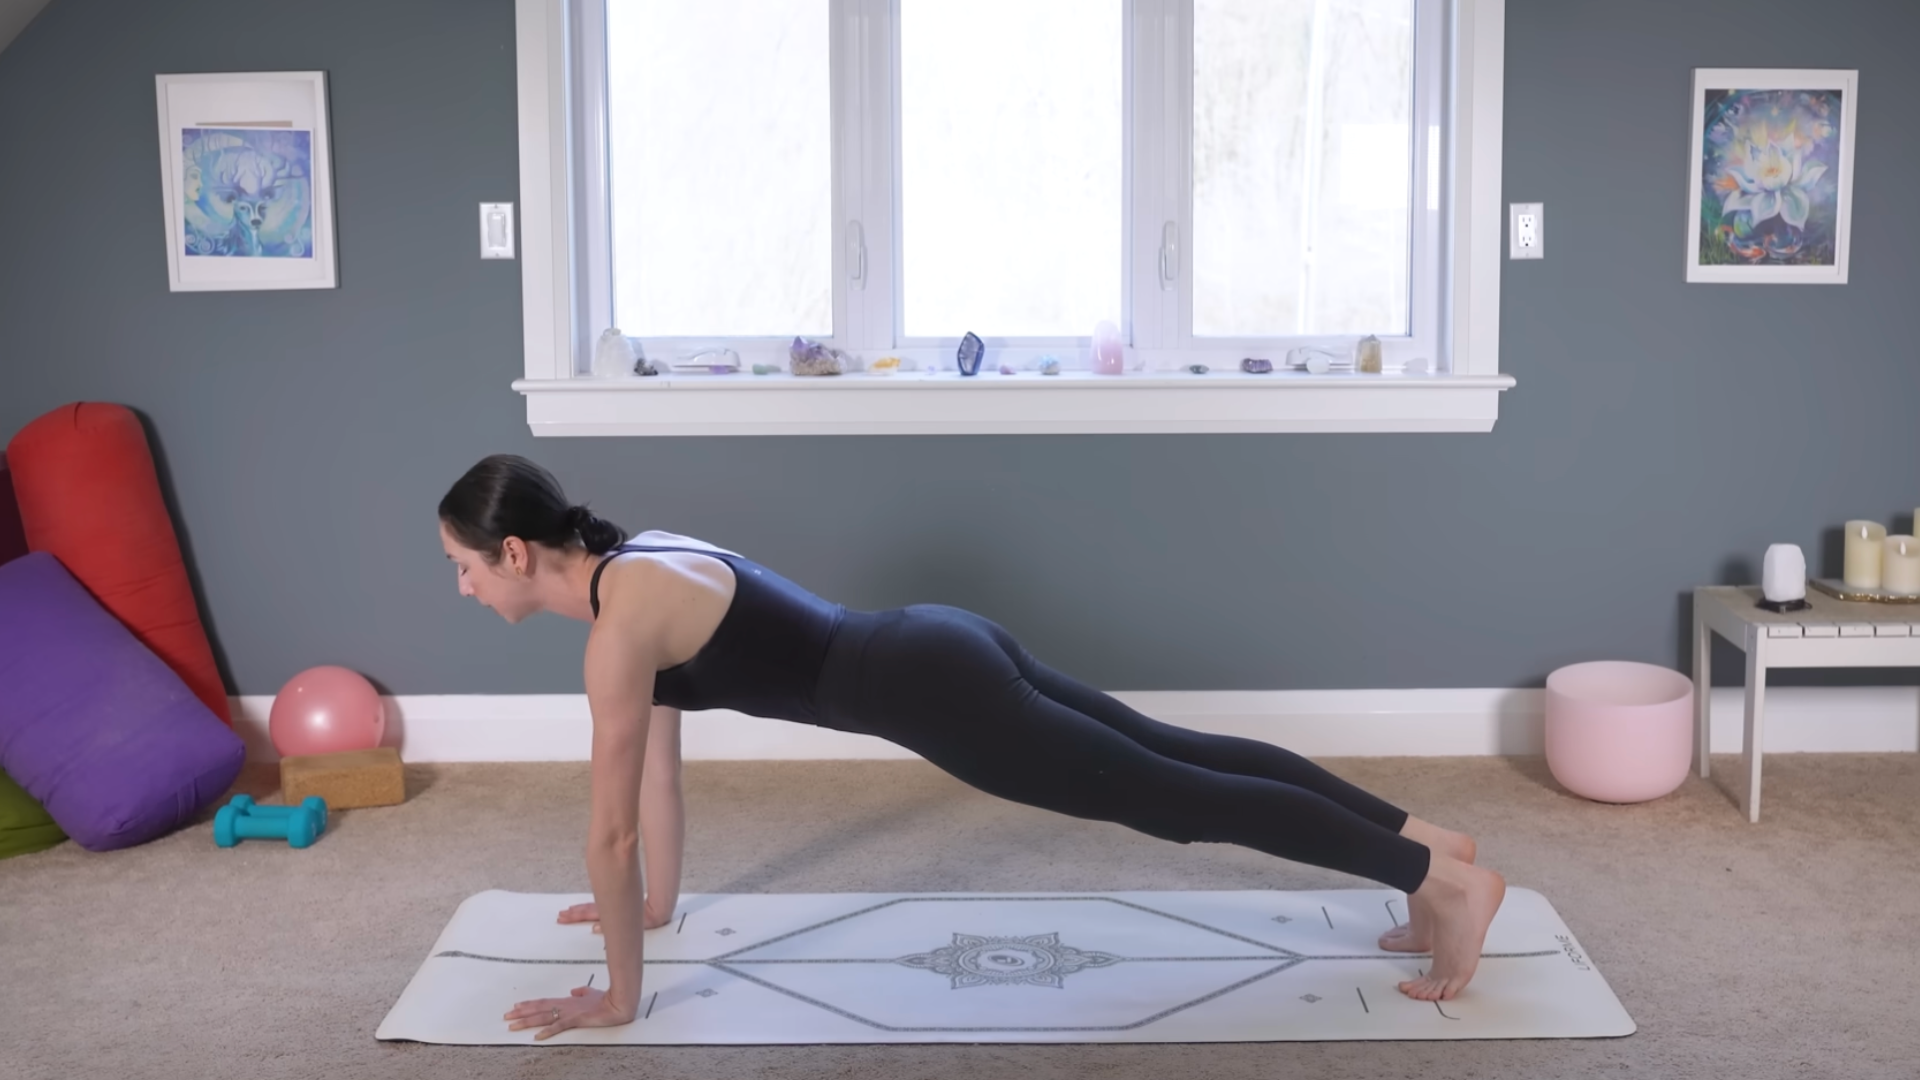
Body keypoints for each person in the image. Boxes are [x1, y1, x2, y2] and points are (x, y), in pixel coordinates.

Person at [437, 454, 1506, 1041]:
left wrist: (618, 998)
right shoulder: (638, 562)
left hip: (934, 693)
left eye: (465, 566)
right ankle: (1436, 845)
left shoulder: (618, 634)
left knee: (1179, 799)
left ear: (517, 552)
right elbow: (657, 778)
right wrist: (660, 910)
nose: (463, 586)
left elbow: (610, 833)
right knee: (1176, 752)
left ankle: (1437, 883)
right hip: (936, 638)